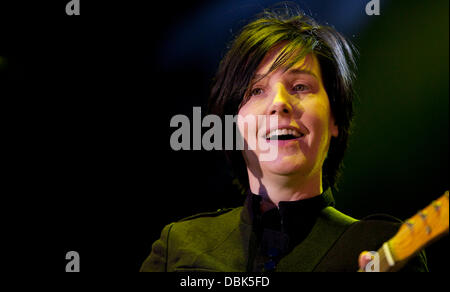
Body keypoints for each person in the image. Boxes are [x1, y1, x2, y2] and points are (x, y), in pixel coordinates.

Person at [140, 8, 428, 272]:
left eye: (300, 86)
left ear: (335, 120)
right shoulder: (179, 245)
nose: (279, 103)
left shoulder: (381, 246)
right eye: (256, 90)